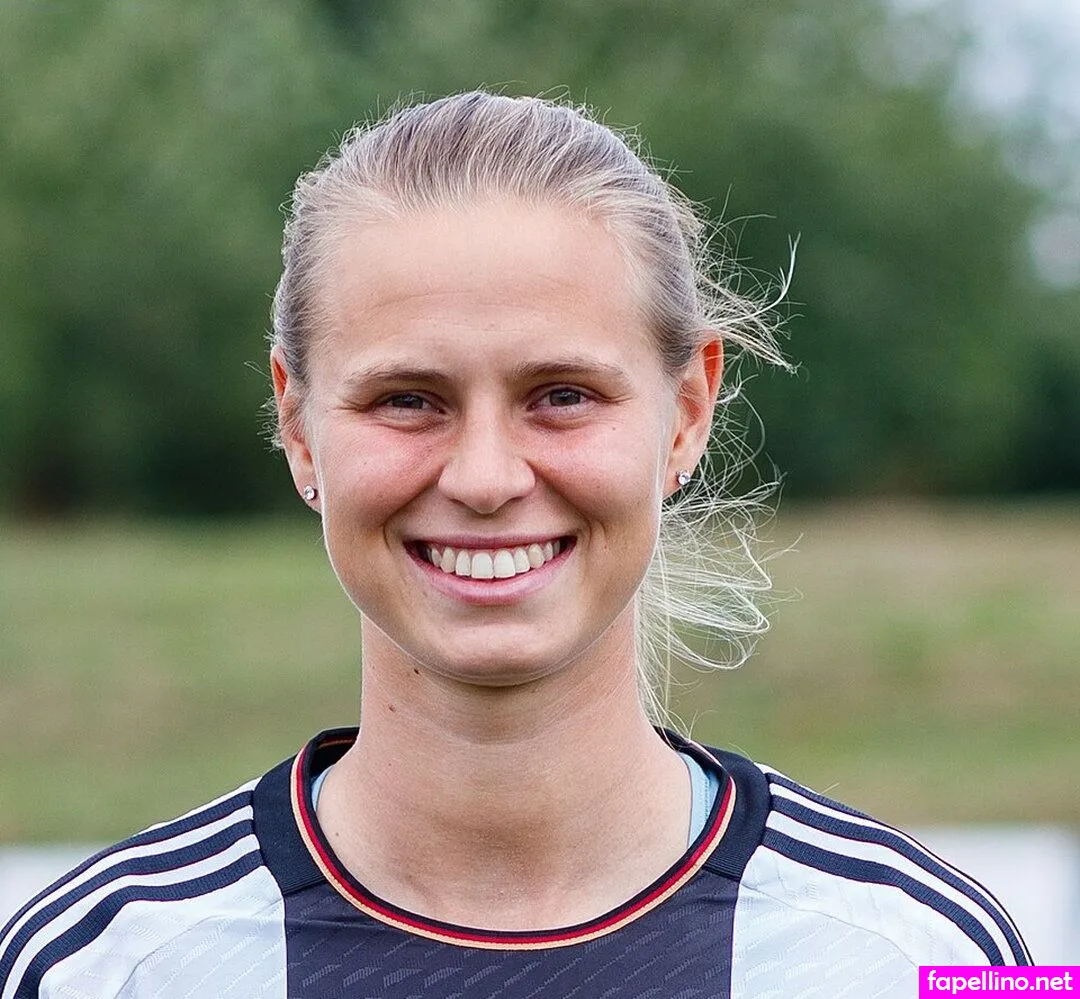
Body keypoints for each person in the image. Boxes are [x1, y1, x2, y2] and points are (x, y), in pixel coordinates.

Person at [0, 91, 1029, 998]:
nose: (485, 478)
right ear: (298, 424)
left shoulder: (943, 956)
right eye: (408, 399)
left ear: (687, 410)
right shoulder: (90, 966)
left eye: (562, 395)